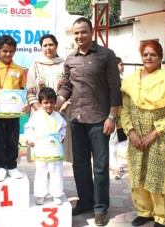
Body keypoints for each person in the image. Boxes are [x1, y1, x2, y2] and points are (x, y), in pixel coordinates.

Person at [56, 17, 122, 226]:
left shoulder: (106, 55)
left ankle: (101, 208)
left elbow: (114, 88)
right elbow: (67, 87)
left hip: (100, 120)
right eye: (76, 33)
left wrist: (112, 116)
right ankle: (85, 201)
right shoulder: (70, 58)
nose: (79, 36)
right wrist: (52, 105)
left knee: (101, 166)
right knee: (80, 164)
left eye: (83, 32)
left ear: (91, 32)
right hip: (77, 119)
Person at [120, 40, 165, 227]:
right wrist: (131, 132)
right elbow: (125, 110)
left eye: (153, 54)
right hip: (136, 137)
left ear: (160, 57)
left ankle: (160, 216)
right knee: (138, 174)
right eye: (145, 54)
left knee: (159, 176)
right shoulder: (130, 82)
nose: (148, 57)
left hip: (160, 137)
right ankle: (144, 212)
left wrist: (153, 134)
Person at [0, 35, 28, 182]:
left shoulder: (20, 70)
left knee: (13, 139)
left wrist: (24, 103)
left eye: (11, 51)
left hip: (14, 113)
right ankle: (1, 167)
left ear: (15, 51)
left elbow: (22, 90)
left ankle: (12, 166)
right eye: (4, 51)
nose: (8, 54)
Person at [27, 34, 72, 162]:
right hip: (39, 112)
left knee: (58, 149)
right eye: (45, 45)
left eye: (51, 45)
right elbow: (30, 90)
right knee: (42, 151)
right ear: (41, 47)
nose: (48, 48)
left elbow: (71, 87)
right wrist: (39, 109)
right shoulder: (35, 64)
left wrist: (64, 105)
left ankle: (57, 178)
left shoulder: (64, 64)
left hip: (61, 112)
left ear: (56, 46)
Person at [24, 87, 66, 205]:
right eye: (45, 103)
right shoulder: (36, 116)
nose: (49, 105)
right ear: (40, 103)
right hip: (41, 150)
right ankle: (40, 194)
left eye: (52, 102)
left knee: (56, 172)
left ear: (55, 102)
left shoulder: (58, 116)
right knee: (41, 172)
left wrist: (63, 135)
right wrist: (29, 139)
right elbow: (28, 128)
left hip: (55, 151)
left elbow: (63, 128)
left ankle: (56, 194)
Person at [109, 57, 126, 180]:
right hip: (111, 114)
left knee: (117, 141)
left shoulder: (123, 80)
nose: (122, 67)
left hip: (121, 114)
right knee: (113, 141)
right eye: (121, 64)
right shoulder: (110, 81)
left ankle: (113, 164)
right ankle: (114, 167)